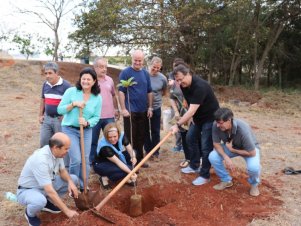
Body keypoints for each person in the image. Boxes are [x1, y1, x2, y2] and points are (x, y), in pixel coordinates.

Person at [170, 64, 219, 186]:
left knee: (206, 146)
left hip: (210, 118)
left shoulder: (200, 86)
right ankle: (194, 165)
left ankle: (205, 175)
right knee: (190, 138)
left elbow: (191, 109)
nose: (180, 83)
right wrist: (191, 117)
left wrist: (178, 124)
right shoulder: (184, 86)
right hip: (198, 117)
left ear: (188, 74)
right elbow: (190, 104)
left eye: (181, 79)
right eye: (177, 81)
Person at [17, 133, 79, 226]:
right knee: (39, 201)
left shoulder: (57, 154)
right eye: (66, 148)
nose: (68, 151)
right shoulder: (41, 159)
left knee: (73, 179)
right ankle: (30, 214)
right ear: (56, 147)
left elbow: (62, 171)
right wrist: (68, 211)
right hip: (28, 190)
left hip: (46, 185)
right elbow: (50, 191)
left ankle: (47, 203)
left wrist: (70, 182)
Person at [57, 67, 101, 191]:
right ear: (80, 79)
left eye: (89, 79)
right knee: (76, 159)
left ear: (94, 81)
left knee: (85, 160)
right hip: (69, 129)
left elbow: (96, 117)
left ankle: (83, 186)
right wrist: (73, 104)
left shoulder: (97, 97)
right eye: (83, 79)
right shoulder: (71, 91)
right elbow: (59, 110)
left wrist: (87, 122)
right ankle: (72, 185)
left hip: (86, 130)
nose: (85, 81)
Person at [209, 107, 261, 196]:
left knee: (254, 168)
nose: (217, 125)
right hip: (230, 146)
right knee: (213, 156)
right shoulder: (216, 125)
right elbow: (216, 144)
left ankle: (254, 184)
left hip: (248, 149)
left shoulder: (243, 130)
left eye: (220, 123)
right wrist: (226, 157)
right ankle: (226, 180)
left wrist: (232, 150)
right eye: (217, 122)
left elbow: (252, 153)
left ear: (229, 120)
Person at [118, 50, 153, 166]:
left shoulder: (145, 74)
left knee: (141, 136)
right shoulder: (125, 73)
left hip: (143, 110)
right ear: (131, 59)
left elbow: (149, 91)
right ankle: (131, 161)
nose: (137, 62)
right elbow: (121, 92)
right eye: (135, 60)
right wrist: (123, 109)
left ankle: (140, 159)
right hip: (130, 111)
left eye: (140, 60)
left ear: (143, 60)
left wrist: (150, 107)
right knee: (130, 137)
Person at [90, 57, 120, 165]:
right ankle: (93, 162)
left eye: (105, 67)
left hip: (109, 116)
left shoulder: (110, 80)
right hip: (94, 117)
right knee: (93, 141)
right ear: (95, 68)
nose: (104, 69)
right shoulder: (90, 81)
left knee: (112, 139)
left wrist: (116, 109)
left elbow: (113, 95)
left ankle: (113, 160)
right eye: (101, 67)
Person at [93, 123, 137, 189]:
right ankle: (104, 178)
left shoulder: (122, 135)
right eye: (109, 137)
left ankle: (126, 176)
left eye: (115, 136)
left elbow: (130, 149)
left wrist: (133, 157)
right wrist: (131, 173)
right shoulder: (104, 147)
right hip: (101, 164)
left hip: (116, 157)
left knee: (135, 153)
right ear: (105, 136)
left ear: (118, 134)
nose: (113, 139)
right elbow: (118, 163)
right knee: (127, 169)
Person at [39, 62, 71, 148]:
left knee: (60, 145)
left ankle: (61, 162)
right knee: (43, 143)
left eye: (50, 73)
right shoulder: (45, 85)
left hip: (59, 120)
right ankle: (46, 161)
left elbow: (71, 103)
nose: (47, 76)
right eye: (46, 73)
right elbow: (43, 99)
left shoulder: (66, 86)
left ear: (56, 73)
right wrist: (40, 115)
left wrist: (65, 115)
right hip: (46, 119)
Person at [168, 59, 190, 167]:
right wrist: (176, 112)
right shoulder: (175, 83)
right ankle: (187, 158)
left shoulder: (190, 81)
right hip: (180, 113)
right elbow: (171, 98)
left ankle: (198, 158)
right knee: (184, 135)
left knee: (193, 136)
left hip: (191, 113)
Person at [144, 56, 167, 159]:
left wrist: (154, 101)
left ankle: (156, 151)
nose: (156, 69)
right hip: (143, 107)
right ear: (150, 64)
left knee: (155, 130)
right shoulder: (143, 75)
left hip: (156, 107)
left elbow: (164, 92)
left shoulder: (162, 78)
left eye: (158, 68)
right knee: (145, 130)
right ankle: (148, 150)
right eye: (154, 67)